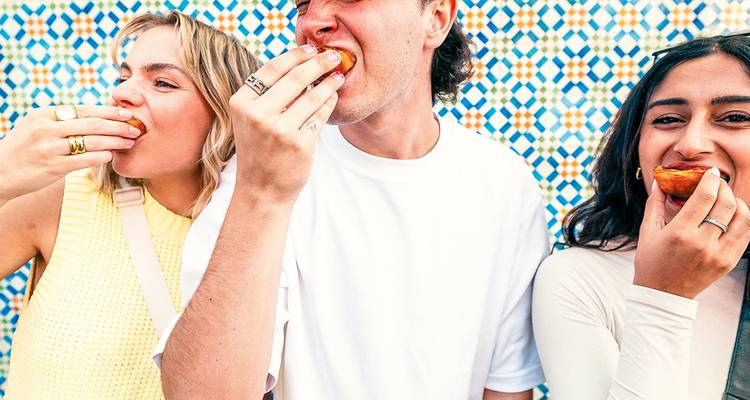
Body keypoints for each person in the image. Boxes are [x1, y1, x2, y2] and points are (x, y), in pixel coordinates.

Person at [158, 0, 548, 399]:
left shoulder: (504, 183)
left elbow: (505, 388)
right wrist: (261, 193)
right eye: (303, 5)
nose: (313, 22)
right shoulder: (263, 169)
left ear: (435, 19)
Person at [0, 11, 259, 398]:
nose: (122, 93)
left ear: (227, 112)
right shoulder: (65, 196)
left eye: (163, 82)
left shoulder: (265, 238)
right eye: (124, 77)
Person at [532, 33, 750, 400]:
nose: (690, 143)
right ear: (635, 155)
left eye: (735, 117)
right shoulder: (579, 279)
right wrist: (664, 294)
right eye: (667, 119)